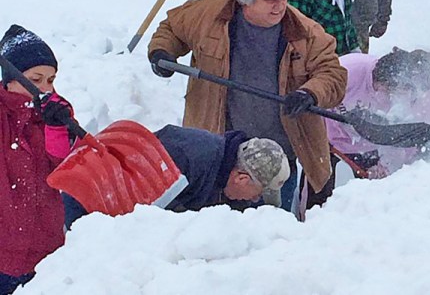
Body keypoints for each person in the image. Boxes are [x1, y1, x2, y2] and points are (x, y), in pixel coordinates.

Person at [147, 0, 347, 212]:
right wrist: (162, 52)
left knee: (273, 230)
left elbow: (333, 73)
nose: (280, 5)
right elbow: (172, 27)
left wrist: (310, 93)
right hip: (223, 159)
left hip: (278, 160)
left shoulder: (305, 32)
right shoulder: (210, 15)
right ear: (246, 0)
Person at [61, 125, 291, 227]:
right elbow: (149, 221)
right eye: (256, 194)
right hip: (90, 202)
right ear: (241, 178)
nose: (253, 201)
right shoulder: (188, 157)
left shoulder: (228, 169)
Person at [0, 25, 77, 295]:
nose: (45, 87)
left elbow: (65, 170)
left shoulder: (56, 114)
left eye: (51, 79)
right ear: (11, 78)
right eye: (37, 78)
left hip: (45, 249)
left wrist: (56, 127)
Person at [327, 45, 430, 180]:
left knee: (370, 186)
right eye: (385, 88)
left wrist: (385, 165)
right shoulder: (348, 69)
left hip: (363, 143)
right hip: (325, 132)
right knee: (318, 184)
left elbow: (399, 134)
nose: (386, 94)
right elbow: (316, 93)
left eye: (392, 90)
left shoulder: (404, 93)